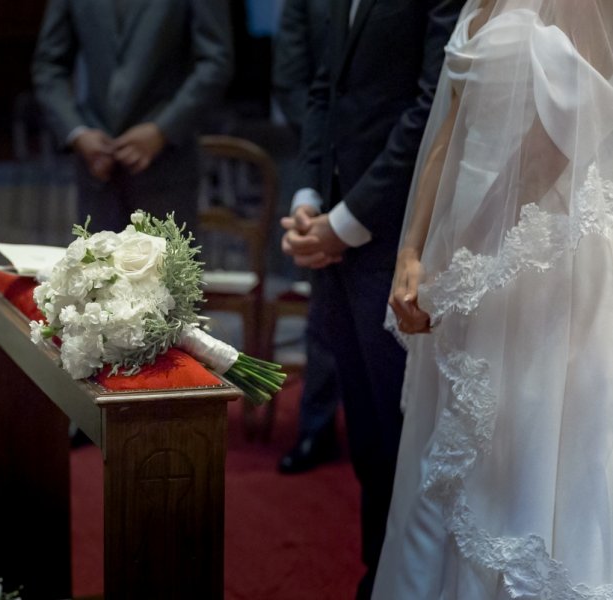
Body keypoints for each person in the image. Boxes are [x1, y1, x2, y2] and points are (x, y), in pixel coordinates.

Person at [375, 1, 613, 597]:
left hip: (535, 259)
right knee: (443, 449)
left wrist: (465, 262)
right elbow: (446, 133)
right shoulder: (476, 2)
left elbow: (555, 146)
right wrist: (413, 252)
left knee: (513, 458)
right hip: (460, 243)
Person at [280, 0, 464, 596]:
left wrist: (349, 220)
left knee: (399, 429)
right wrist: (311, 195)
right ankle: (376, 575)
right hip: (334, 225)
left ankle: (401, 580)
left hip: (400, 236)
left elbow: (432, 108)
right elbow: (323, 89)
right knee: (364, 427)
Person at [31, 0, 233, 236]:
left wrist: (163, 129)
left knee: (169, 270)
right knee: (97, 269)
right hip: (96, 162)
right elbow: (48, 66)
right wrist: (76, 131)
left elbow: (215, 61)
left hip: (166, 164)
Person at [271, 0, 343, 474]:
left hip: (401, 160)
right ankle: (316, 427)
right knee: (327, 313)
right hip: (327, 162)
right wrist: (327, 146)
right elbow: (293, 80)